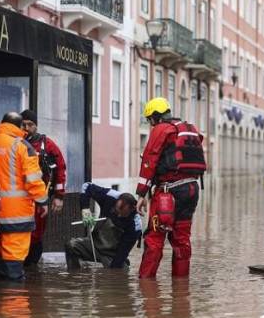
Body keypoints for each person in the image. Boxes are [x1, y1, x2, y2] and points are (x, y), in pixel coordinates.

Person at [135, 97, 206, 279]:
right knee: (181, 240)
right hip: (191, 190)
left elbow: (149, 161)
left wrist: (141, 193)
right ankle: (181, 288)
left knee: (154, 238)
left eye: (150, 120)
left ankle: (146, 286)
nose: (150, 125)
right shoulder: (189, 129)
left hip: (168, 193)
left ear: (155, 117)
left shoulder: (162, 129)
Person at [0, 112, 49, 280]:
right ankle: (14, 302)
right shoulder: (22, 146)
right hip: (16, 215)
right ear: (19, 126)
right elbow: (33, 180)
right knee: (14, 264)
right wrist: (43, 201)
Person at [20, 110, 67, 266]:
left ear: (36, 126)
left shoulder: (46, 145)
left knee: (36, 234)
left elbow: (60, 168)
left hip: (40, 199)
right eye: (23, 124)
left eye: (30, 124)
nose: (26, 128)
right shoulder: (14, 143)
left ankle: (32, 269)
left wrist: (59, 196)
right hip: (17, 199)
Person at [65, 182, 142, 269]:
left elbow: (122, 252)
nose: (118, 216)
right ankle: (76, 275)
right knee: (71, 245)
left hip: (111, 255)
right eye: (116, 212)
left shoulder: (135, 225)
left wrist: (110, 273)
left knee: (118, 271)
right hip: (94, 245)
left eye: (122, 214)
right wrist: (85, 209)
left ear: (132, 209)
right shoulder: (109, 196)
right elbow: (86, 186)